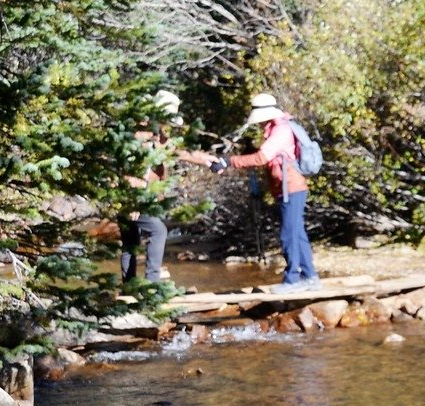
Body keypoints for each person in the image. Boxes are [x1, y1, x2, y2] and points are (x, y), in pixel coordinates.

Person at [211, 93, 320, 294]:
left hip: (291, 188)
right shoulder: (276, 128)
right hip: (289, 187)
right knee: (297, 232)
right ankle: (310, 276)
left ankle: (292, 280)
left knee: (289, 234)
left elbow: (262, 157)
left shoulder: (280, 131)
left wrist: (229, 161)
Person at [119, 89, 218, 283]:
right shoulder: (140, 136)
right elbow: (130, 170)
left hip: (141, 197)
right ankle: (152, 281)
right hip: (133, 197)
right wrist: (133, 202)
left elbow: (178, 152)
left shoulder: (158, 136)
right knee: (158, 231)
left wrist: (204, 159)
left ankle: (129, 287)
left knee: (131, 242)